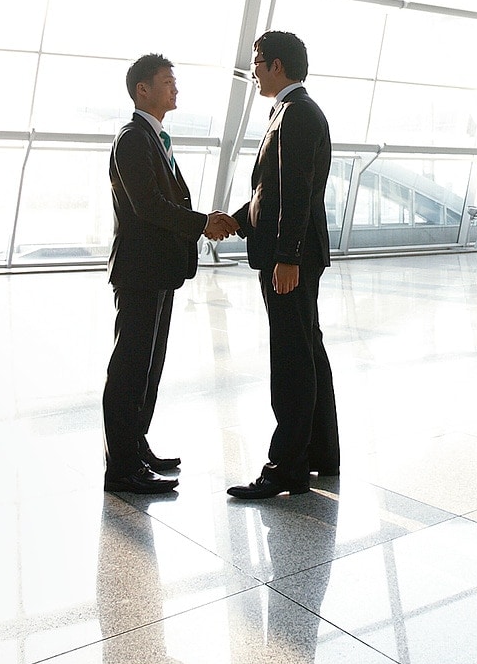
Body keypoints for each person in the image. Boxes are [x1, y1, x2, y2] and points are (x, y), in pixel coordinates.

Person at [103, 53, 238, 495]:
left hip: (158, 270)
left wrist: (200, 222)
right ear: (143, 89)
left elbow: (169, 205)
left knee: (149, 365)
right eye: (167, 82)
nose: (175, 89)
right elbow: (149, 207)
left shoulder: (157, 138)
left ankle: (136, 445)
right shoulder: (132, 139)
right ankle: (120, 467)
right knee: (130, 366)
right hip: (139, 270)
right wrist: (203, 223)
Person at [226, 31, 340, 499]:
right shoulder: (292, 113)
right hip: (290, 253)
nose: (252, 70)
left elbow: (296, 192)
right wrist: (235, 221)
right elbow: (270, 194)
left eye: (257, 62)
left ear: (276, 65)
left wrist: (288, 257)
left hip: (290, 259)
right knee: (307, 350)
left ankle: (286, 467)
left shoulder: (296, 115)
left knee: (291, 360)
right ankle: (321, 454)